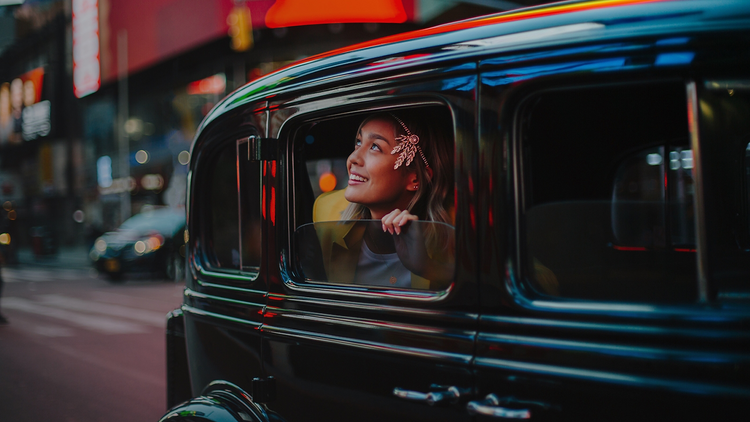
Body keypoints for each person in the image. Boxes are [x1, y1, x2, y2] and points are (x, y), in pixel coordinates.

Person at [311, 110, 454, 289]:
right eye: (358, 142)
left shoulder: (455, 231)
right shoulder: (326, 212)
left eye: (375, 147)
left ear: (415, 178)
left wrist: (428, 267)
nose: (353, 158)